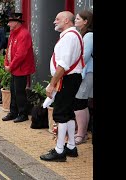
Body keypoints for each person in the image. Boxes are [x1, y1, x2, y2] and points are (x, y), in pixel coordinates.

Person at [40, 11, 85, 162]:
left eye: (57, 19)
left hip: (67, 79)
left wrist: (52, 84)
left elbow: (63, 65)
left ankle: (60, 151)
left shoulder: (70, 37)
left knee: (60, 114)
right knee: (68, 112)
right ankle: (71, 147)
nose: (54, 21)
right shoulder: (72, 35)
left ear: (66, 20)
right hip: (71, 78)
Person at [1, 13, 36, 123]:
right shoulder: (13, 33)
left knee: (19, 92)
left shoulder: (24, 34)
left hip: (21, 68)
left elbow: (21, 55)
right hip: (15, 68)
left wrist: (10, 66)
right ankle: (13, 112)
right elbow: (9, 49)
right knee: (13, 90)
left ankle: (23, 113)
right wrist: (6, 63)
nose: (8, 23)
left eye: (11, 21)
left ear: (17, 22)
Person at [73, 10, 93, 145]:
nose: (75, 20)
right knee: (81, 103)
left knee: (79, 102)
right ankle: (82, 132)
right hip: (84, 72)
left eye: (78, 19)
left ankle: (81, 134)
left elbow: (84, 56)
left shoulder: (89, 35)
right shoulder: (83, 34)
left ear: (86, 21)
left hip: (87, 73)